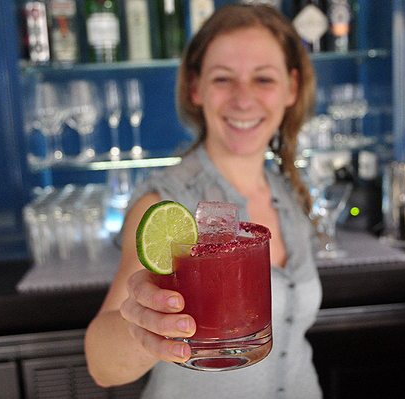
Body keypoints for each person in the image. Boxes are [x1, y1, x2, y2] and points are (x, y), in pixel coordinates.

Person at [84, 3, 323, 398]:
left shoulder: (287, 189)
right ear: (196, 89)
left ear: (291, 88)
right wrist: (143, 329)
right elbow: (101, 364)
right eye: (223, 79)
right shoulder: (168, 205)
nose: (243, 99)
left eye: (263, 79)